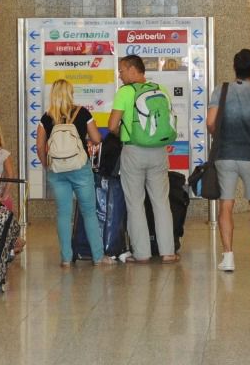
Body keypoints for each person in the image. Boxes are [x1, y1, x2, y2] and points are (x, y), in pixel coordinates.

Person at [208, 49, 250, 272]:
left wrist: (220, 136)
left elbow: (210, 123)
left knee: (226, 204)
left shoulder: (221, 90)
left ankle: (228, 257)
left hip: (225, 155)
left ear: (234, 67)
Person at [107, 55, 178, 264]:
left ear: (131, 69)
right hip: (159, 152)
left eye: (121, 71)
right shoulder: (160, 89)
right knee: (161, 202)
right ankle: (168, 252)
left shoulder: (125, 92)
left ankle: (142, 254)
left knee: (135, 203)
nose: (120, 76)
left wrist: (124, 131)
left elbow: (112, 126)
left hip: (134, 152)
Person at [37, 79, 111, 267]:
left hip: (57, 170)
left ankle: (66, 259)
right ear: (70, 93)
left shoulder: (46, 117)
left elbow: (39, 146)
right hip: (79, 168)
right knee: (88, 212)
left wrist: (47, 165)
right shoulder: (82, 113)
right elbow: (96, 138)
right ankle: (98, 257)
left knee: (63, 213)